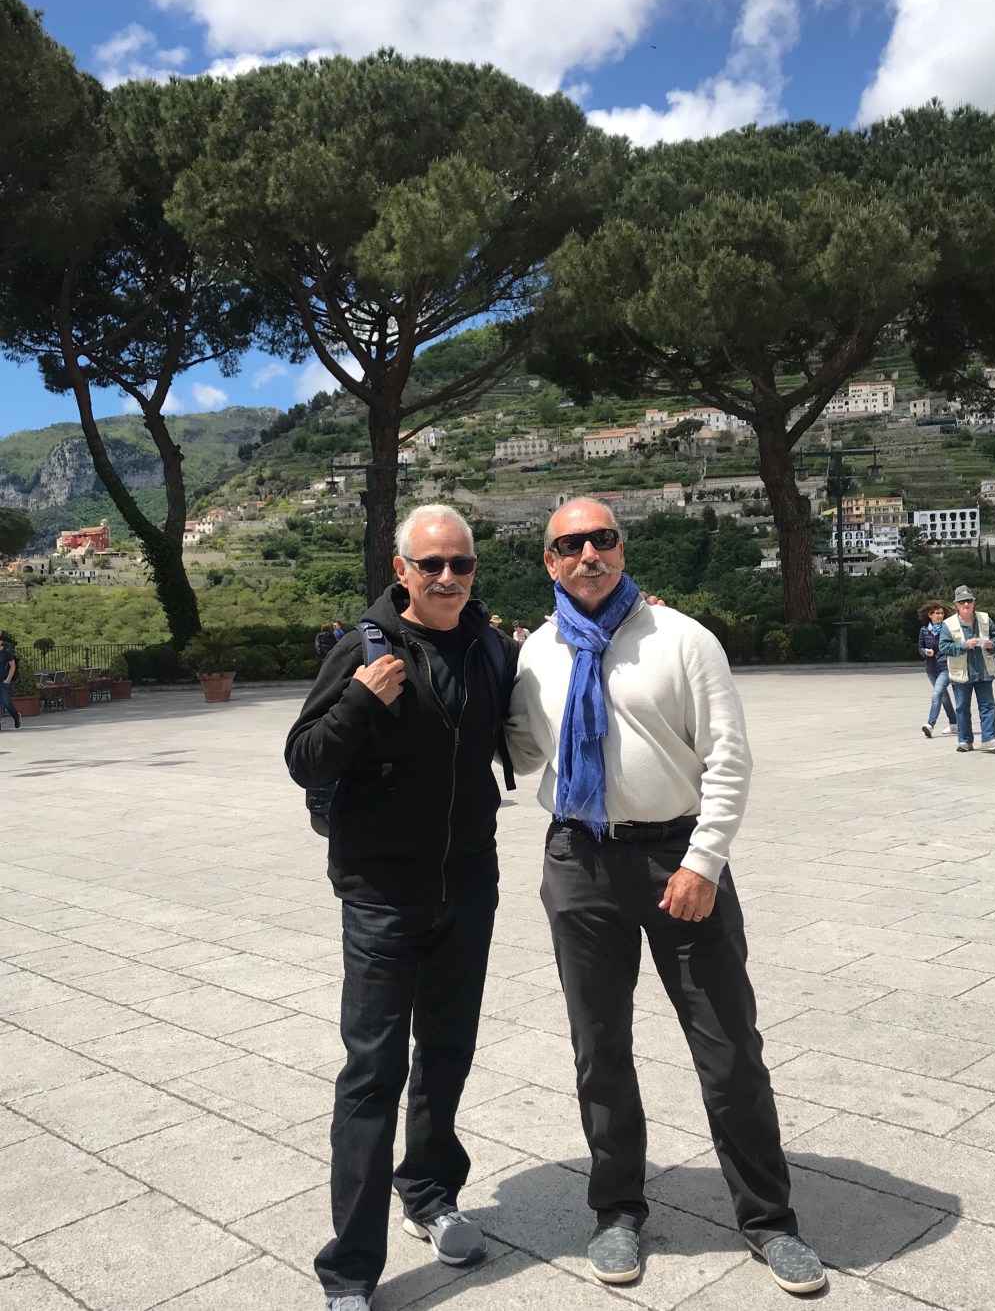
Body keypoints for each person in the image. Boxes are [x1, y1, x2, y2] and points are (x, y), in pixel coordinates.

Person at [505, 497, 825, 1296]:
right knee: (599, 1047)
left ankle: (769, 1218)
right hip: (579, 858)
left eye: (603, 538)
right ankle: (617, 1209)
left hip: (679, 859)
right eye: (571, 544)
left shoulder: (681, 638)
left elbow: (729, 757)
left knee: (728, 1045)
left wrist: (704, 861)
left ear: (622, 547)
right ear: (549, 561)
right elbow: (518, 744)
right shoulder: (538, 652)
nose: (589, 554)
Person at [285, 504, 519, 1311]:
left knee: (447, 1050)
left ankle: (429, 1193)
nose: (447, 577)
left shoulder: (491, 646)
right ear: (402, 570)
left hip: (468, 882)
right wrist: (357, 700)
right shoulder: (363, 647)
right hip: (381, 895)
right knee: (372, 1072)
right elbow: (303, 756)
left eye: (461, 564)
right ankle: (350, 1269)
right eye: (431, 564)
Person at [938, 585, 995, 753]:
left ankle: (989, 739)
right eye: (962, 602)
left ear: (973, 602)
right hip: (961, 673)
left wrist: (991, 644)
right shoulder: (948, 624)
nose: (966, 604)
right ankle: (965, 740)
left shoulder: (985, 618)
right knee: (962, 708)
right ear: (956, 605)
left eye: (969, 601)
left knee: (988, 706)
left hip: (984, 671)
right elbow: (944, 647)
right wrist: (964, 645)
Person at [916, 600, 957, 738]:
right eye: (937, 613)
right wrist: (925, 652)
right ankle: (954, 723)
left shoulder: (947, 629)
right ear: (929, 614)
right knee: (943, 697)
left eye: (942, 613)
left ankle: (930, 724)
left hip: (945, 667)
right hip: (931, 668)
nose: (940, 615)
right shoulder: (924, 630)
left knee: (936, 694)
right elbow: (920, 647)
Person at [0, 633, 21, 730]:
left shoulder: (6, 651)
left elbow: (12, 666)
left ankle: (16, 716)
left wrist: (8, 679)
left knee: (6, 702)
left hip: (4, 681)